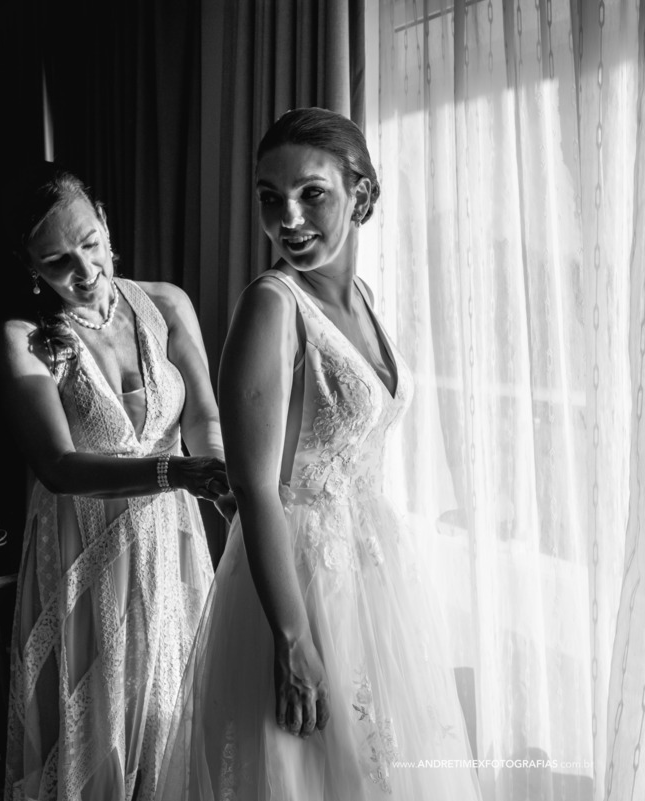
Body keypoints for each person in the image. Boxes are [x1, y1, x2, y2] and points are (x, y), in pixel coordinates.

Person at [156, 108, 481, 799]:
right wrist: (293, 639)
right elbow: (254, 486)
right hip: (302, 579)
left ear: (361, 195)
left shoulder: (362, 297)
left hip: (371, 570)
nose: (289, 219)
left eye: (312, 194)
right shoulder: (272, 305)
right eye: (270, 198)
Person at [0, 164, 231, 801]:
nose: (85, 270)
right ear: (29, 266)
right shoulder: (25, 339)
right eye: (57, 261)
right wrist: (175, 471)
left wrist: (220, 482)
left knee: (170, 713)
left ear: (103, 219)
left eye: (91, 242)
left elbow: (203, 418)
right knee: (96, 727)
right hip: (83, 549)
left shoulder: (166, 303)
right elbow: (58, 467)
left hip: (170, 543)